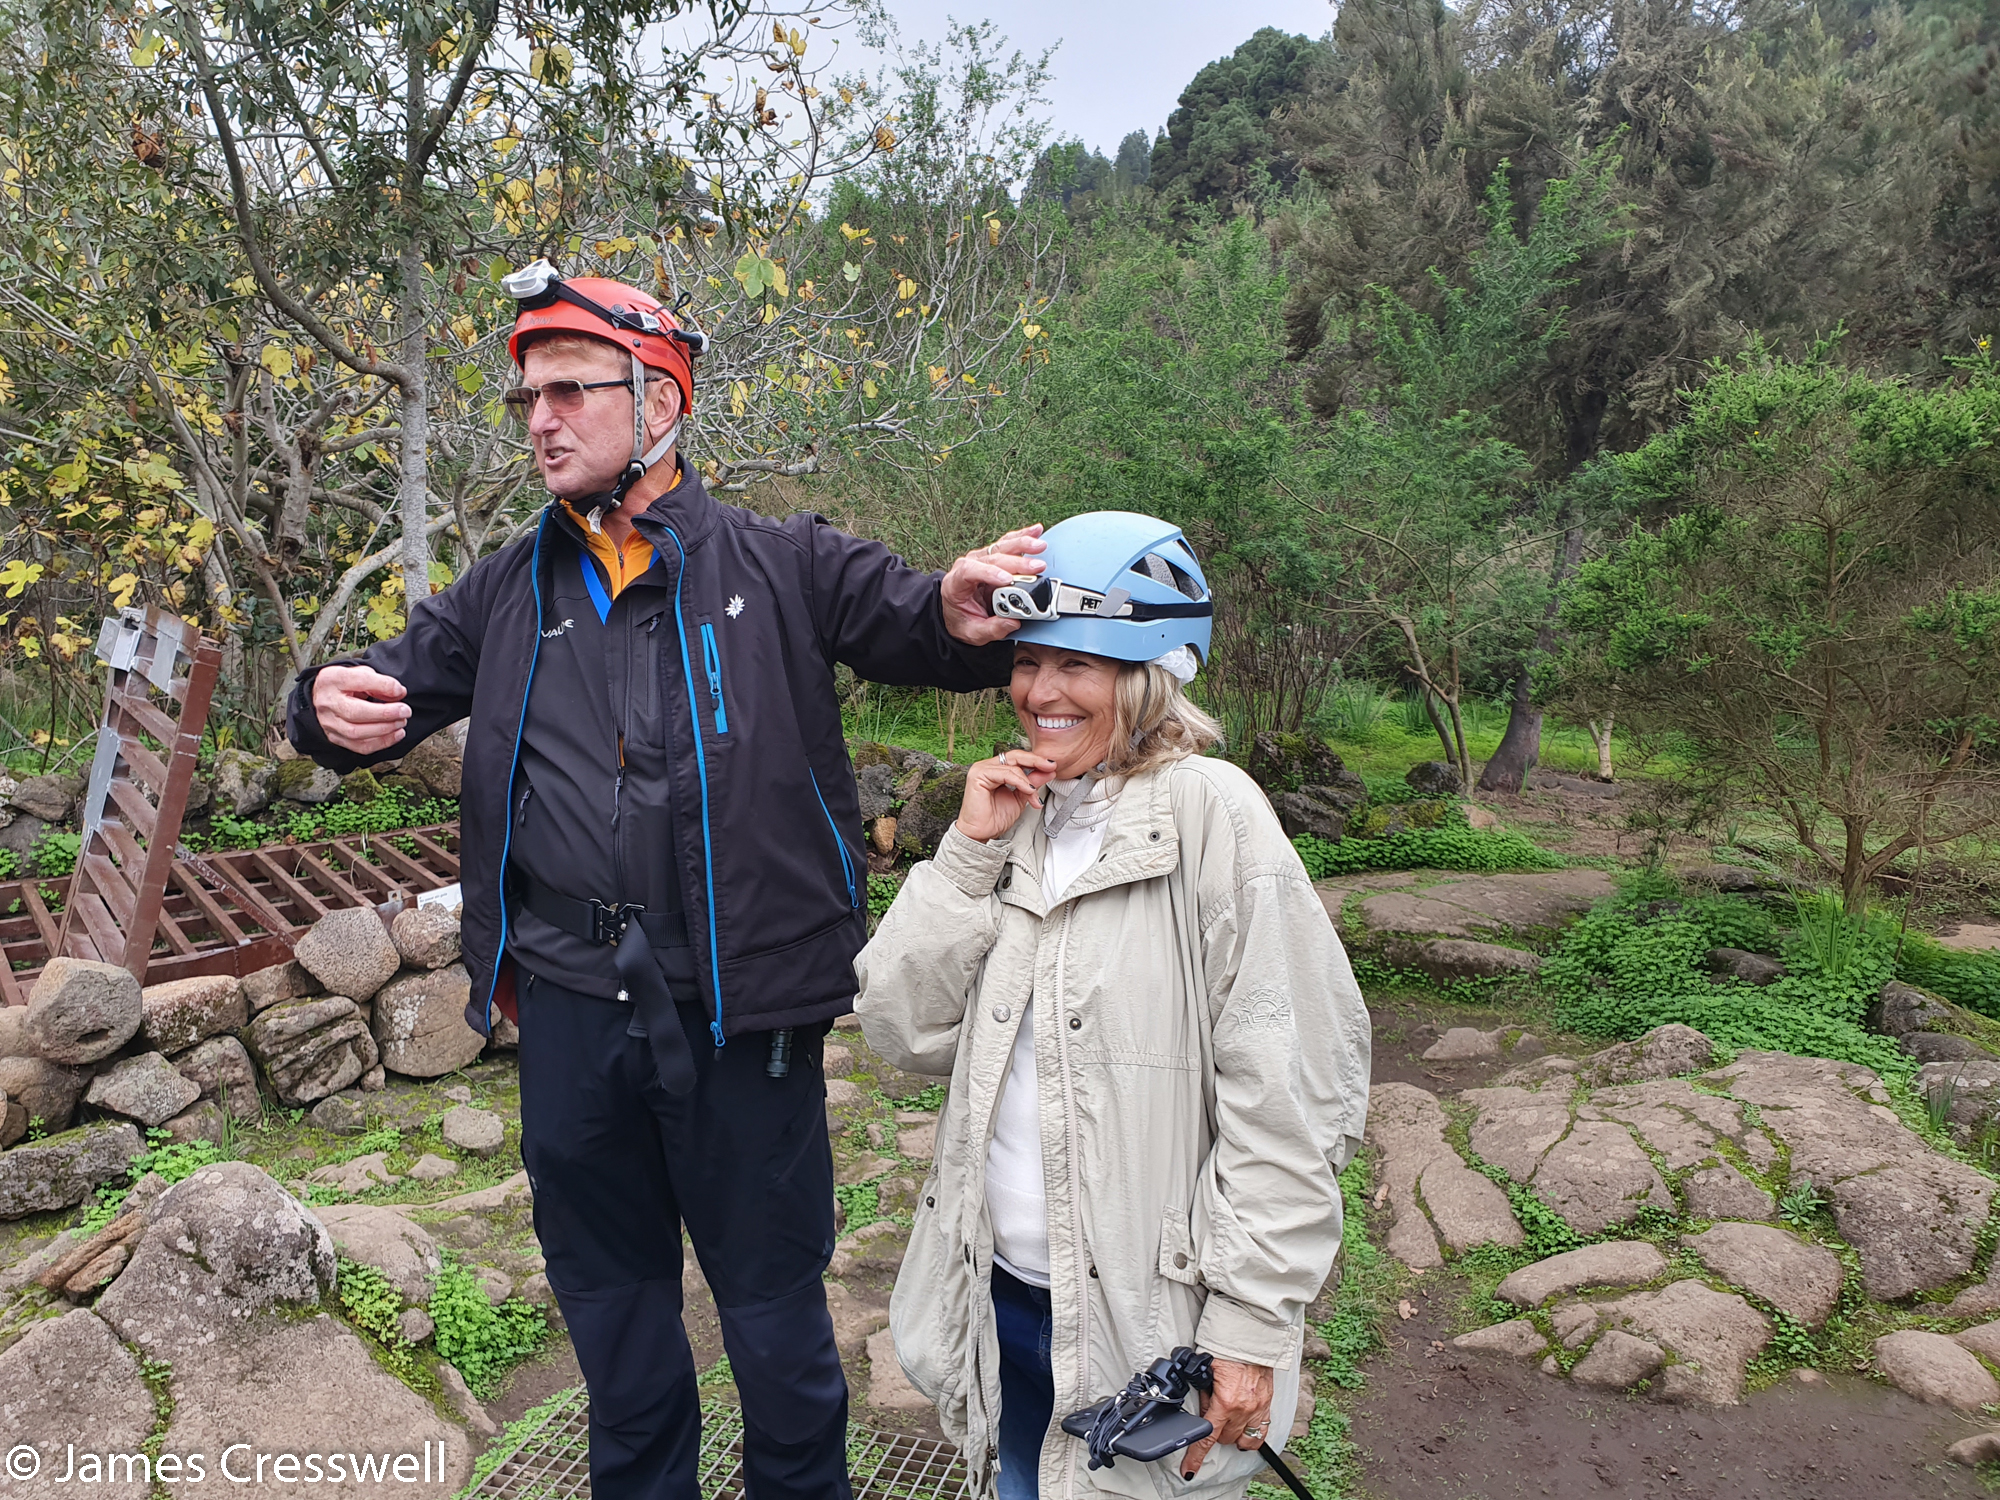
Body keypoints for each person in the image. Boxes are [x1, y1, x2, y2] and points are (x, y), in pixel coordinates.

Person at [286, 260, 1049, 1500]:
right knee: (610, 1302)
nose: (540, 418)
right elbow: (372, 690)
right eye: (529, 395)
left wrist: (964, 611)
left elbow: (916, 619)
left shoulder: (778, 563)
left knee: (772, 1311)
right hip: (573, 1005)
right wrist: (314, 703)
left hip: (740, 1009)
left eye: (572, 391)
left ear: (661, 401)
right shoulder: (508, 588)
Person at [853, 512, 1371, 1500]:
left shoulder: (1212, 818)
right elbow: (898, 1030)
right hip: (997, 1291)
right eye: (1028, 660)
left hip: (1148, 1322)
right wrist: (965, 856)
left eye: (1078, 664)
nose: (1040, 693)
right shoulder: (1015, 822)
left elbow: (1290, 1096)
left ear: (1144, 676)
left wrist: (1251, 1328)